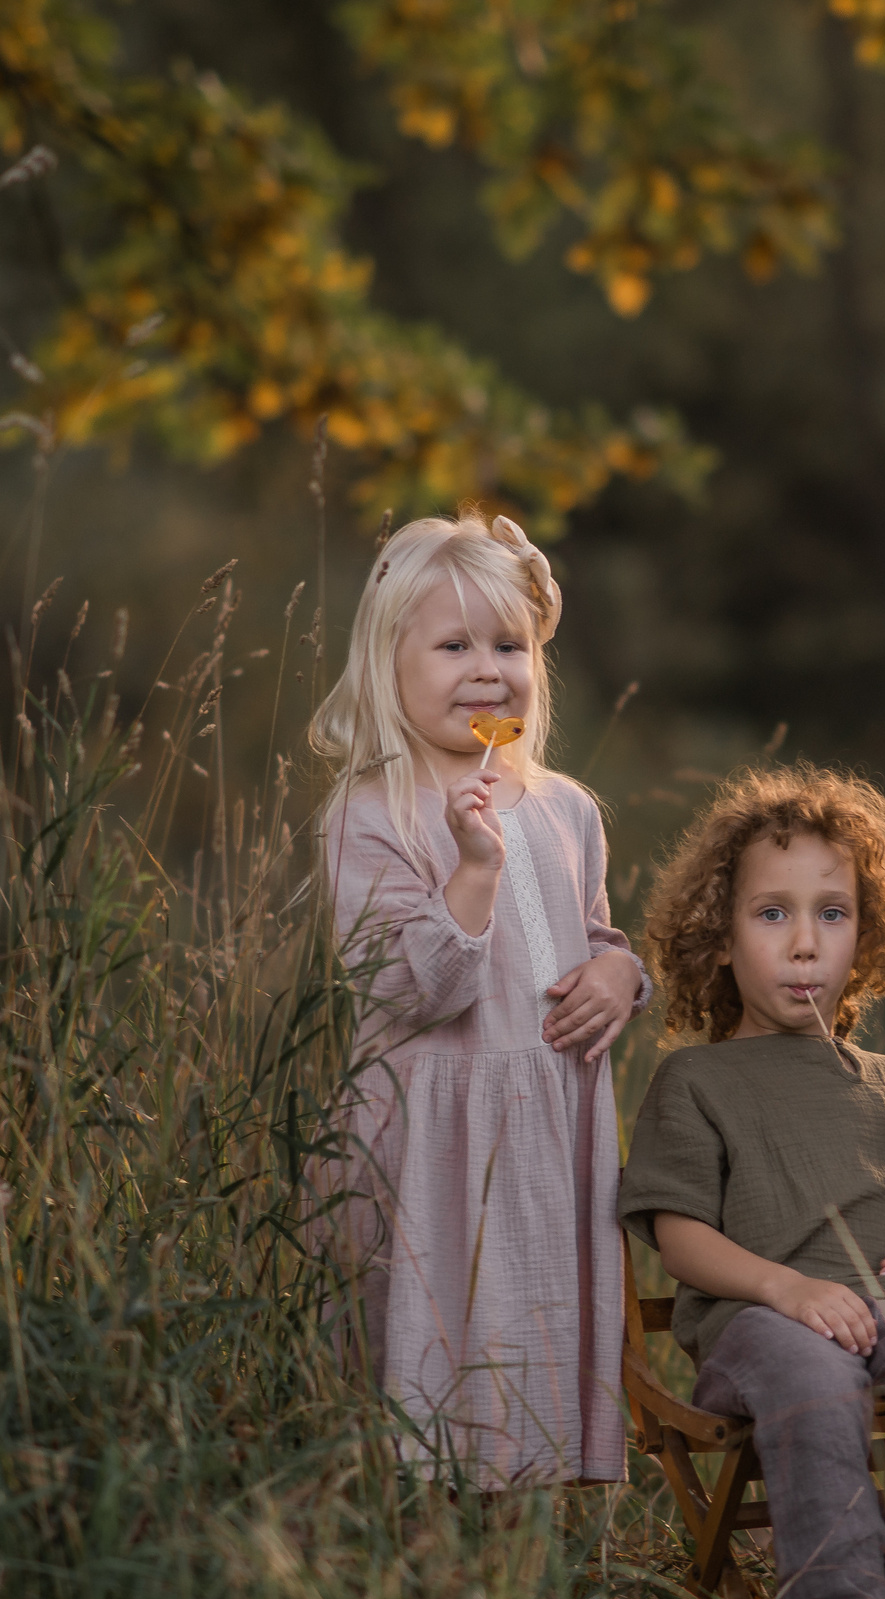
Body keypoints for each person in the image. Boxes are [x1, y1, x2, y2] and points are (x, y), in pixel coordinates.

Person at [619, 766, 885, 1599]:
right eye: (773, 914)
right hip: (761, 1324)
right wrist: (788, 1289)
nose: (805, 944)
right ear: (720, 938)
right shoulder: (697, 1079)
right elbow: (679, 1238)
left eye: (832, 914)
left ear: (865, 939)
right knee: (817, 1380)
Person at [311, 508, 648, 1488]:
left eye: (509, 645)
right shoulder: (371, 813)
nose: (487, 670)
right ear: (390, 663)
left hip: (549, 1115)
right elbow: (410, 987)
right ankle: (420, 1520)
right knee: (441, 1324)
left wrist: (622, 974)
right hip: (436, 1127)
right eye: (454, 646)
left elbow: (592, 937)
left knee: (535, 1314)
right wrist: (472, 871)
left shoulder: (565, 808)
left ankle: (527, 1524)